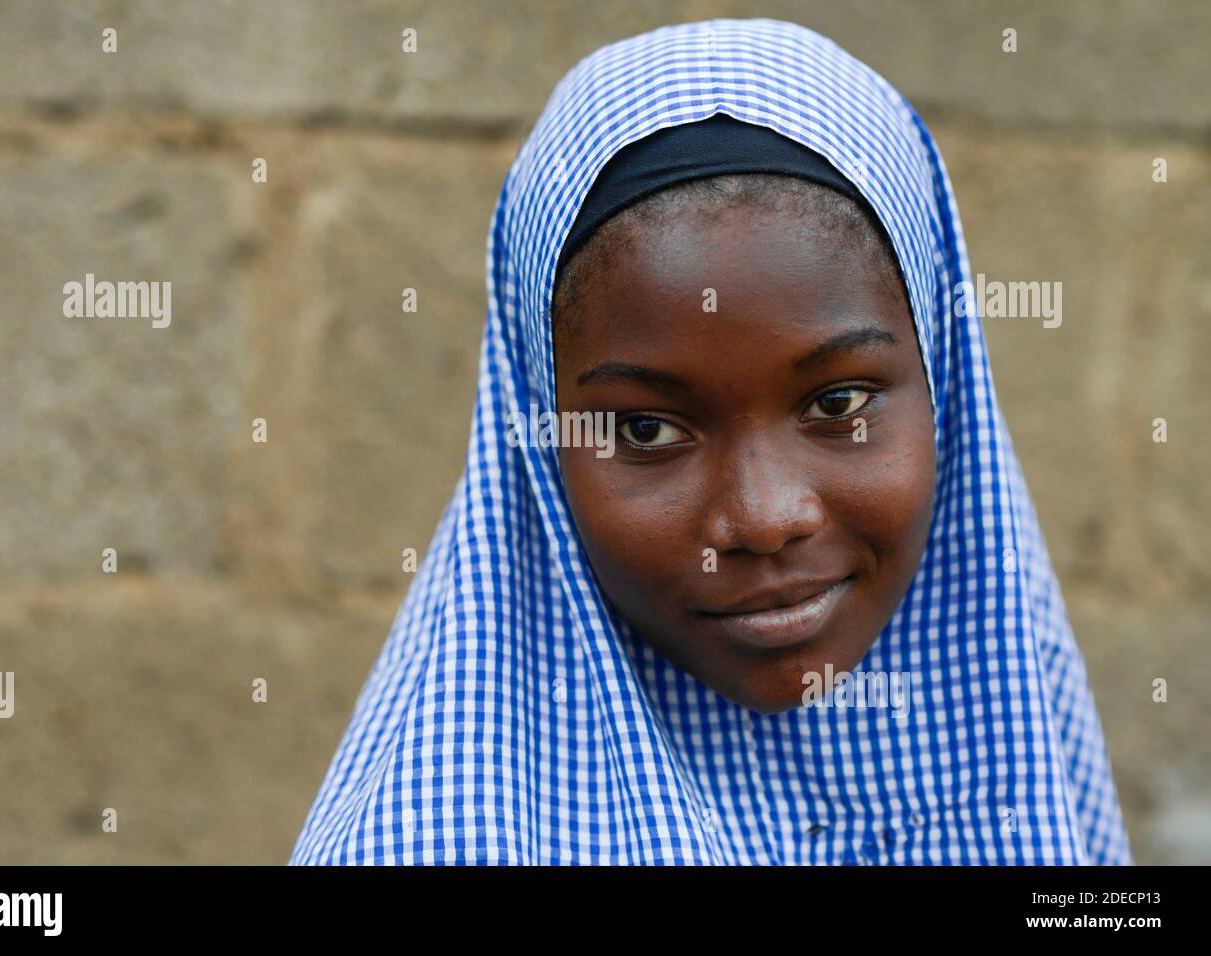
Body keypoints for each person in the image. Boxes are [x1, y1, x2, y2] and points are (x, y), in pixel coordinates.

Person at [291, 18, 1132, 865]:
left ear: (947, 383)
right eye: (649, 430)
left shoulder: (1034, 777)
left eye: (838, 401)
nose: (764, 519)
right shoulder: (433, 841)